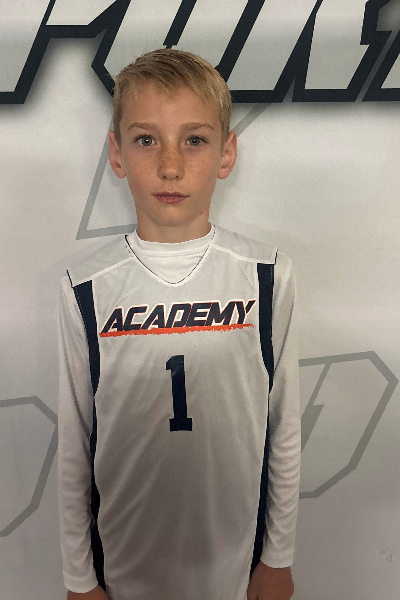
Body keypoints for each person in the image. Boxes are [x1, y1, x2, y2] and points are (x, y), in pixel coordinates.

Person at [58, 48, 301, 600]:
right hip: (123, 564)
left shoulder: (266, 275)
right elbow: (75, 441)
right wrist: (79, 577)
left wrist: (278, 556)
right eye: (146, 140)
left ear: (226, 152)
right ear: (117, 153)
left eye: (194, 140)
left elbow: (283, 427)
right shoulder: (85, 287)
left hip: (234, 562)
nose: (170, 166)